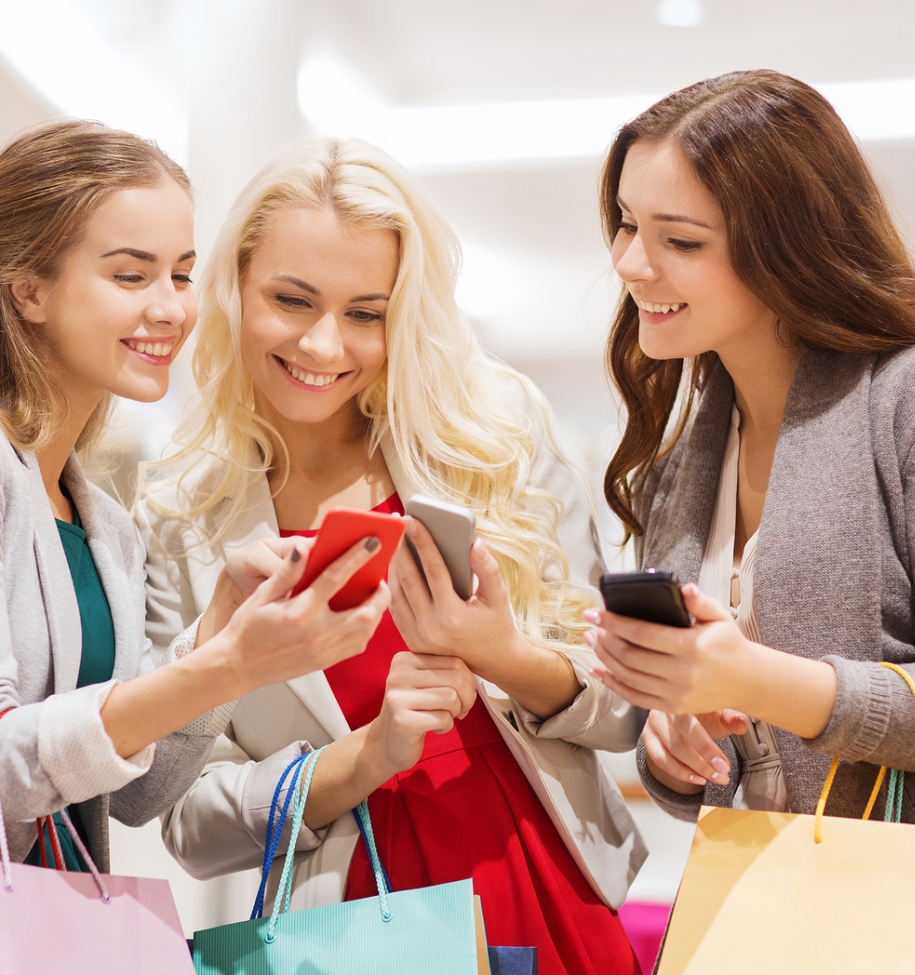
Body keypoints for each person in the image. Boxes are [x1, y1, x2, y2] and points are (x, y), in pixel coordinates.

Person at [0, 121, 387, 961]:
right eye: (131, 274)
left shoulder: (103, 521)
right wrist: (227, 667)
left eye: (181, 273)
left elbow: (139, 794)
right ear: (28, 286)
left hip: (28, 934)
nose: (169, 307)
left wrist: (213, 639)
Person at [138, 136, 645, 975]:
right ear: (234, 289)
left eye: (365, 313)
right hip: (343, 925)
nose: (325, 346)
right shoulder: (180, 515)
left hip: (530, 879)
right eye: (292, 300)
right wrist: (364, 756)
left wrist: (501, 654)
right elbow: (186, 819)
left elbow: (625, 704)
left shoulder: (493, 434)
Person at [587, 70, 915, 824]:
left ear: (787, 250)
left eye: (680, 239)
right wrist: (676, 746)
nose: (632, 262)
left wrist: (761, 679)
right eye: (627, 223)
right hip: (763, 906)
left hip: (912, 909)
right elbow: (720, 756)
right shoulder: (686, 457)